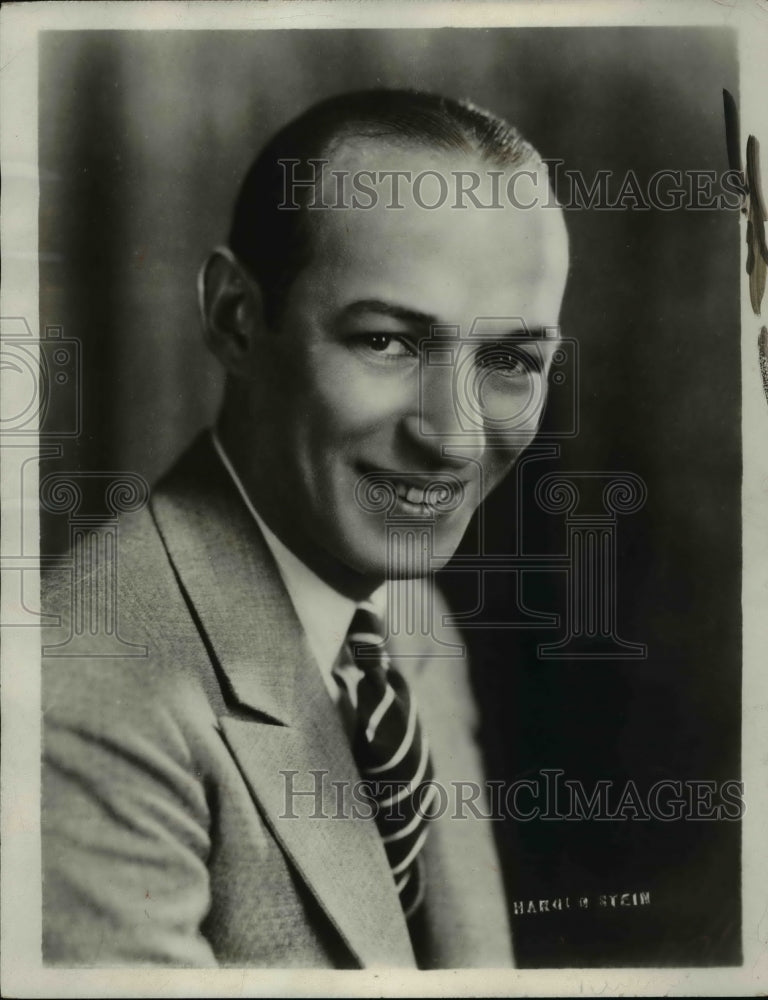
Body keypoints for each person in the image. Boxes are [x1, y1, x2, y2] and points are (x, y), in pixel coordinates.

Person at [41, 89, 569, 968]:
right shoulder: (81, 702)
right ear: (235, 319)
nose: (456, 436)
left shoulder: (409, 622)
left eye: (511, 360)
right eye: (390, 343)